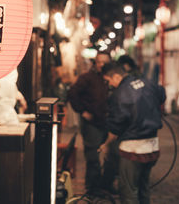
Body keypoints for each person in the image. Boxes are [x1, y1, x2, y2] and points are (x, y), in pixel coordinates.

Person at [99, 62, 166, 204]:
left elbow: (116, 125)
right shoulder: (148, 83)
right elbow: (162, 95)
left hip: (132, 149)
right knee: (144, 187)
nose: (110, 84)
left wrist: (106, 144)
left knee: (129, 191)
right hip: (152, 145)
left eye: (109, 81)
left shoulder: (119, 94)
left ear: (116, 76)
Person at [67, 52, 118, 194]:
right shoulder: (87, 78)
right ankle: (93, 187)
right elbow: (72, 93)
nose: (101, 64)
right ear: (95, 62)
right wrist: (82, 111)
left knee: (113, 155)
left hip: (110, 122)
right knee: (93, 157)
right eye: (99, 62)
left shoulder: (112, 78)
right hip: (92, 123)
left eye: (104, 62)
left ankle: (106, 184)